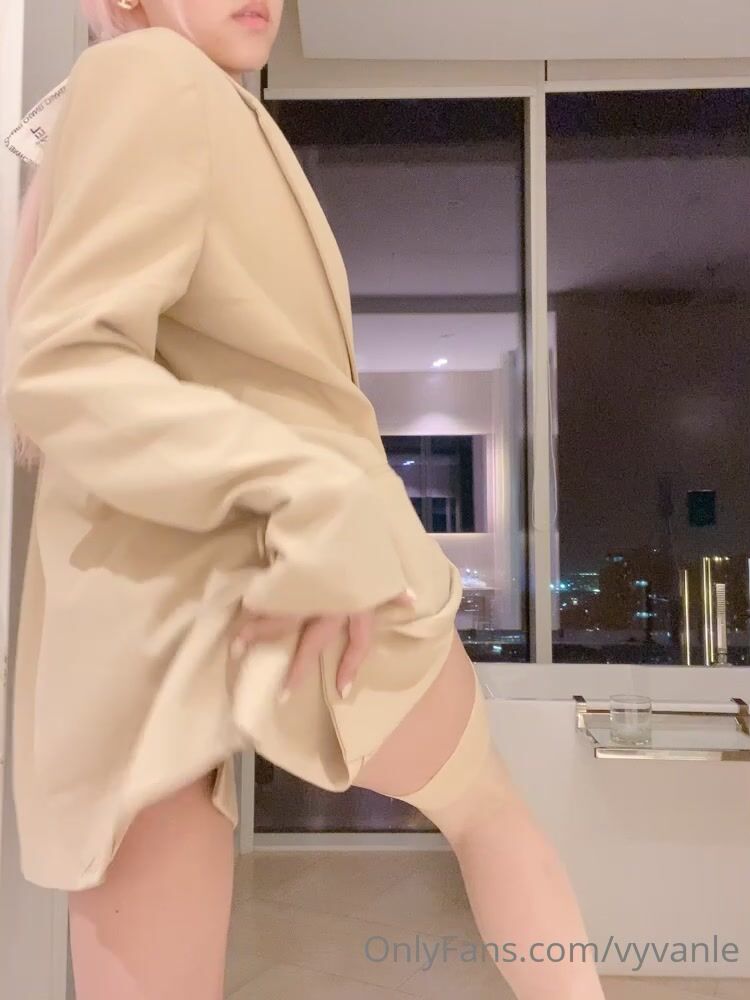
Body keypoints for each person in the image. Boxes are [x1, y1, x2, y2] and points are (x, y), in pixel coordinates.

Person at [2, 2, 607, 998]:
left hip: (204, 581)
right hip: (281, 556)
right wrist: (309, 489)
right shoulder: (149, 76)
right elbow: (61, 365)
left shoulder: (203, 101)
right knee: (488, 810)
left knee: (487, 815)